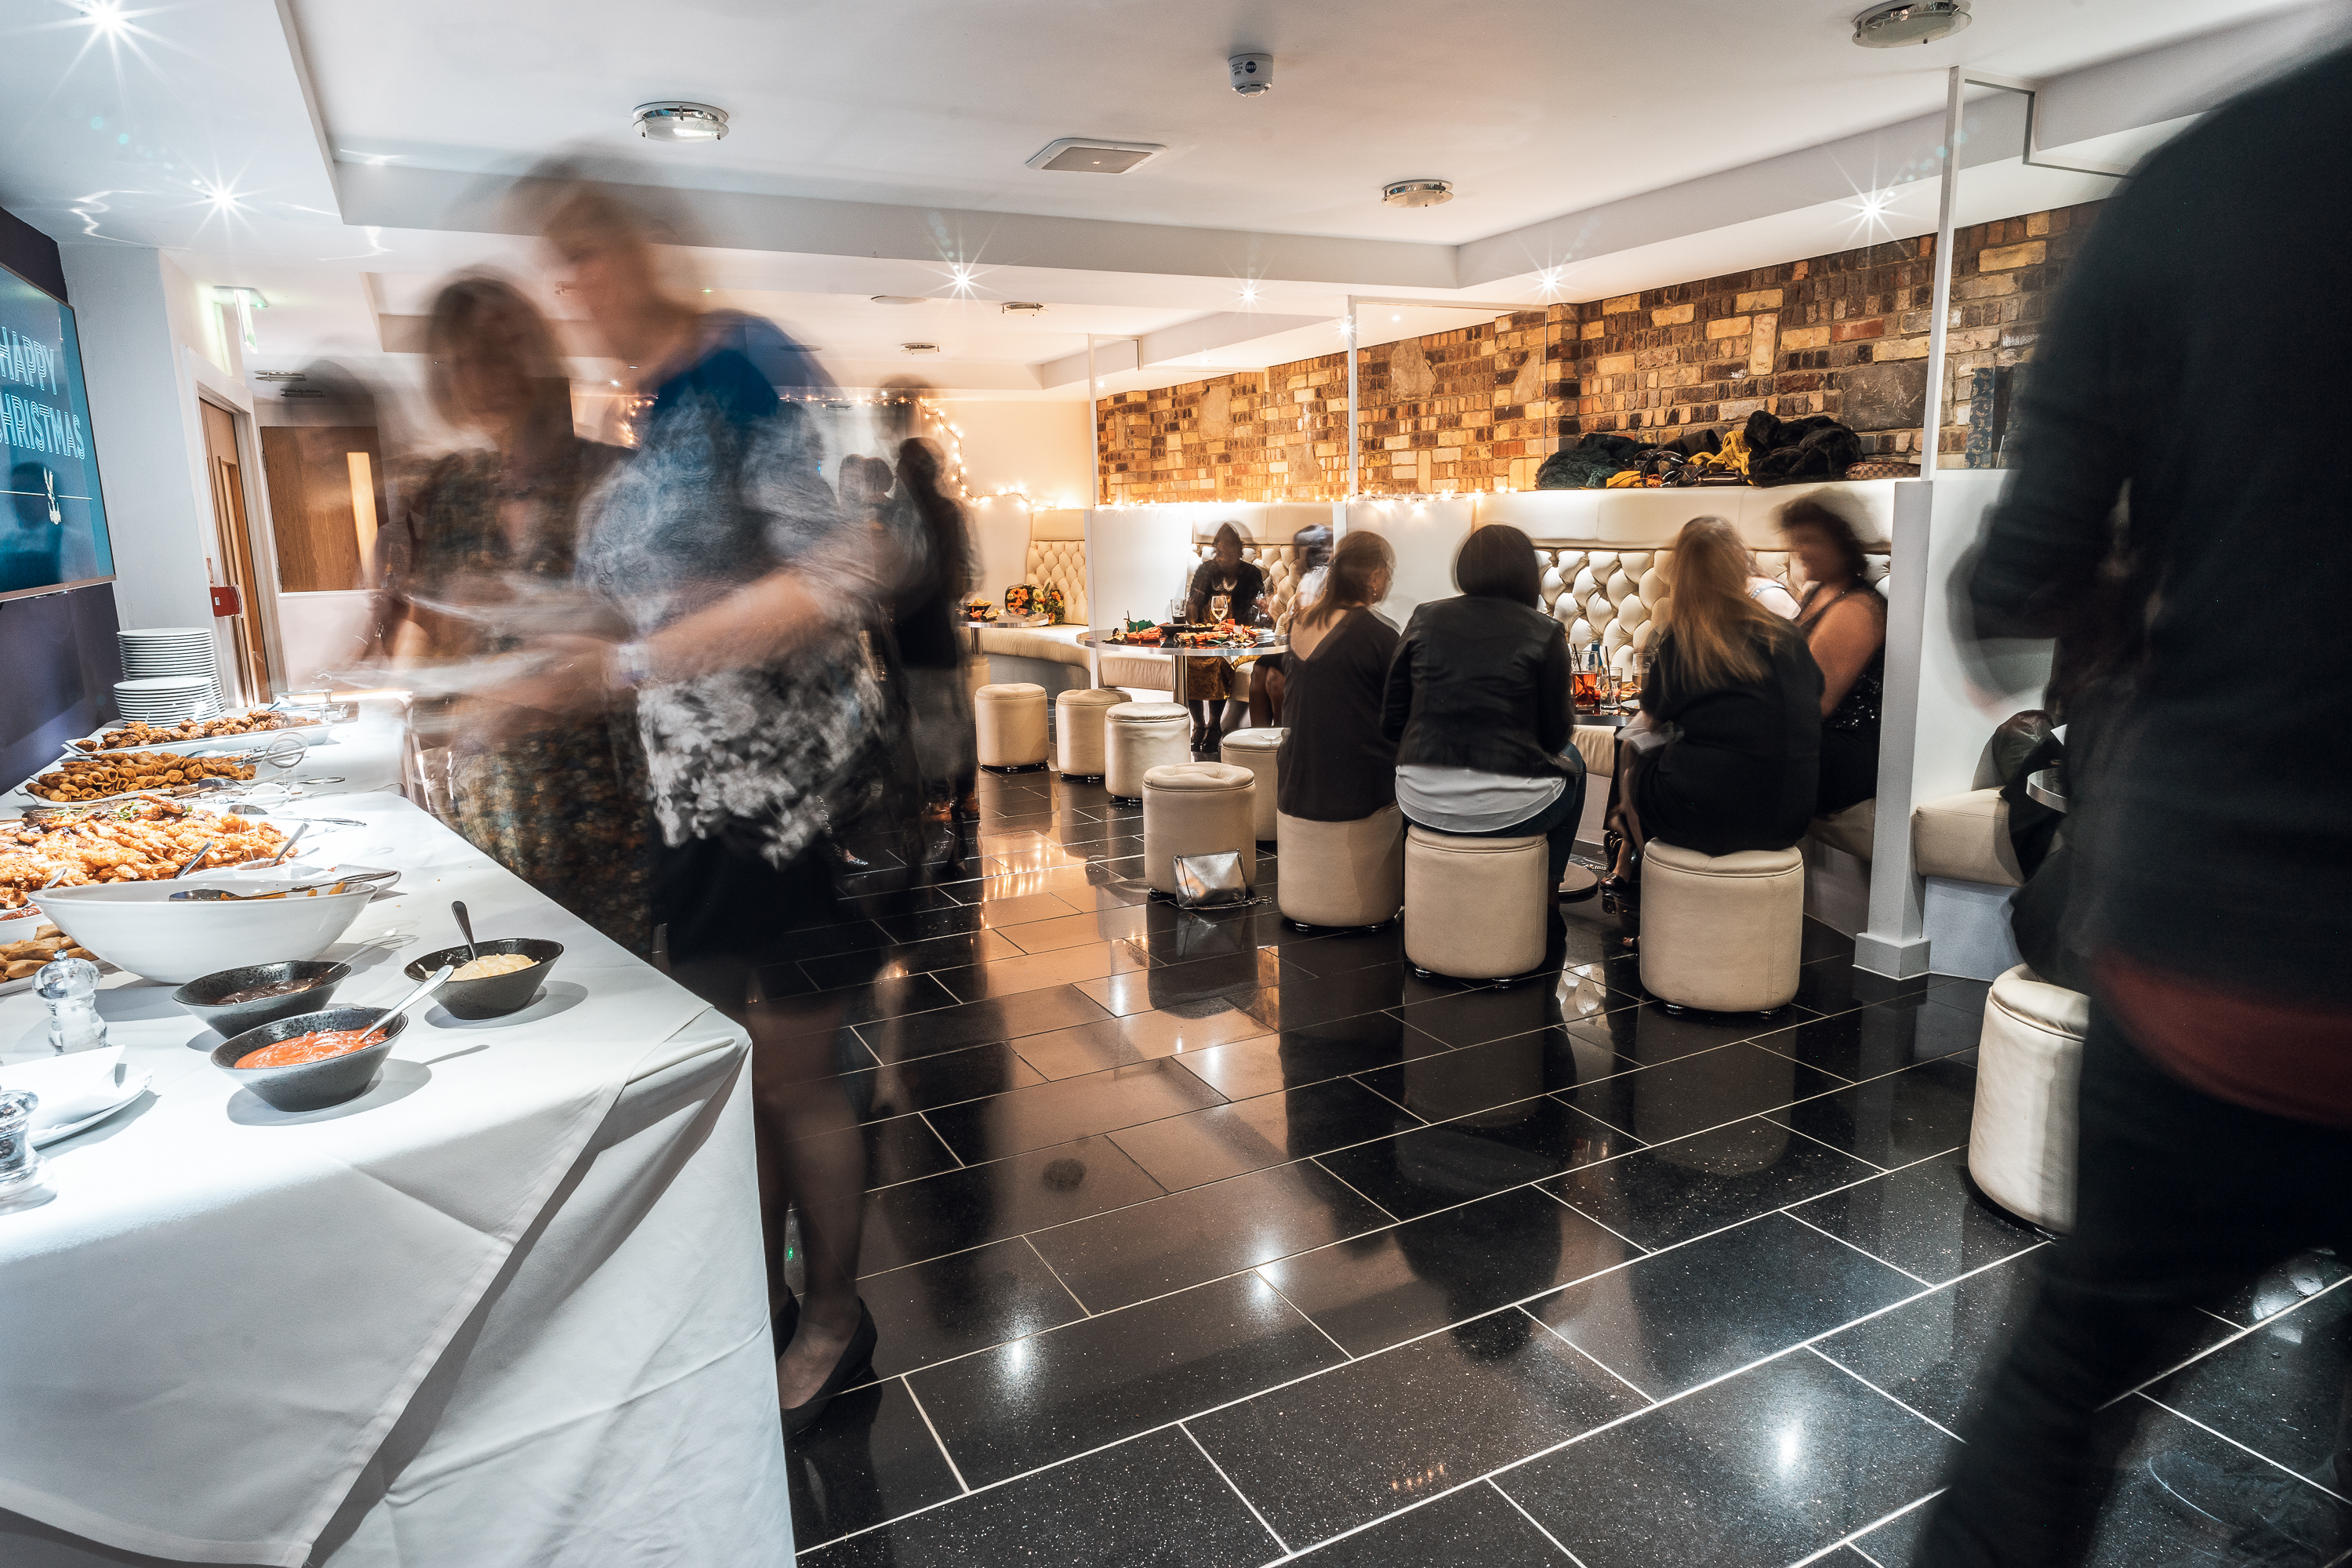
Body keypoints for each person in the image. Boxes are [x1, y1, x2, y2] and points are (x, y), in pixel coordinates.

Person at [1918, 45, 2352, 1566]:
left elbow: (2015, 578)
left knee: (2067, 1380)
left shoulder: (2204, 186)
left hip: (2220, 947)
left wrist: (2150, 601)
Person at [495, 178, 893, 1437]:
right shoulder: (658, 407)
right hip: (694, 799)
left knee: (795, 1077)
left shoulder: (742, 370)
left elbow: (836, 571)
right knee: (736, 1074)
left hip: (793, 797)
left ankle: (834, 1318)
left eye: (584, 257)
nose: (571, 289)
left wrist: (617, 663)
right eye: (557, 267)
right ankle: (762, 1295)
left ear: (644, 249)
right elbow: (661, 599)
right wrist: (536, 646)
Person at [368, 274, 649, 953]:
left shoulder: (621, 478)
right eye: (462, 356)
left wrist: (561, 639)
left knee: (614, 980)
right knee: (501, 965)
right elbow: (436, 636)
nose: (485, 370)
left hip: (605, 787)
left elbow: (665, 628)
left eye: (504, 344)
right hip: (494, 786)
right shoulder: (450, 489)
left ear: (541, 353)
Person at [1603, 516, 1820, 900]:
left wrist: (1625, 797)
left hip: (1707, 816)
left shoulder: (1686, 639)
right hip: (1790, 814)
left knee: (1635, 757)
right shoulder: (1786, 633)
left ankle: (1649, 895)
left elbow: (1644, 729)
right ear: (1739, 565)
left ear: (1682, 576)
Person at [1382, 524, 1587, 896]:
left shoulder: (1424, 617)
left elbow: (1392, 718)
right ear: (1529, 573)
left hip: (1418, 799)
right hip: (1509, 809)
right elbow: (1557, 736)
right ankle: (1548, 893)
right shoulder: (1546, 631)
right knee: (1575, 763)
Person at [884, 437, 980, 822]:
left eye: (900, 466)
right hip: (943, 627)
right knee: (955, 714)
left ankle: (939, 797)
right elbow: (968, 574)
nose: (895, 472)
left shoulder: (901, 517)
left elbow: (891, 577)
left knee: (930, 716)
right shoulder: (951, 512)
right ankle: (967, 795)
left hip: (916, 630)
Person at [1276, 532, 1399, 822]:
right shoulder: (1380, 635)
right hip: (1353, 794)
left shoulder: (1300, 621)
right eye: (1388, 573)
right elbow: (1399, 716)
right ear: (1375, 577)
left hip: (1294, 783)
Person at [1780, 496, 1885, 816]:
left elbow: (1816, 702)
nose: (1801, 550)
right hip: (1812, 738)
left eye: (1811, 540)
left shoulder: (1857, 608)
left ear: (1842, 542)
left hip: (1841, 751)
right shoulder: (1818, 591)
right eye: (1797, 541)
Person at [1179, 521, 1265, 751]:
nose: (1224, 555)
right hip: (1208, 635)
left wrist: (1236, 626)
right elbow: (1193, 605)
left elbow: (1256, 613)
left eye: (1230, 550)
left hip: (1240, 638)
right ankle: (1198, 725)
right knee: (1190, 660)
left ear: (1240, 551)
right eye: (1220, 550)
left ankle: (1214, 725)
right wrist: (1193, 617)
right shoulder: (1206, 570)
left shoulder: (1251, 574)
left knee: (1218, 661)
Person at [1249, 524, 1334, 728]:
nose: (1304, 555)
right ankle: (1257, 740)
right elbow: (1293, 619)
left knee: (1274, 679)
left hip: (1319, 646)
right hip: (1296, 643)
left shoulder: (1333, 577)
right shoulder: (1308, 577)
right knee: (1258, 671)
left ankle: (1283, 738)